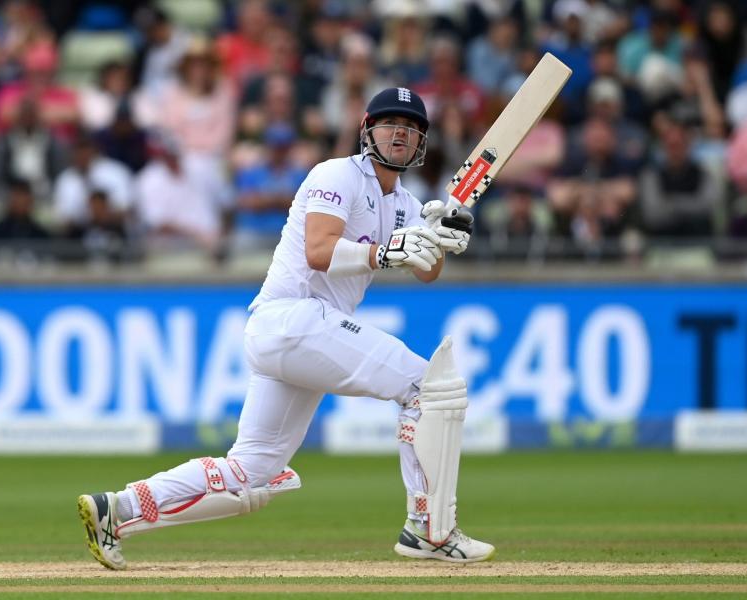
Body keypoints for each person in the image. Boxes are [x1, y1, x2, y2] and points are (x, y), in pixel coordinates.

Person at [76, 87, 494, 569]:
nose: (399, 131)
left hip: (299, 337)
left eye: (411, 125)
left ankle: (117, 507)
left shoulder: (406, 203)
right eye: (389, 122)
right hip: (293, 317)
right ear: (367, 129)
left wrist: (442, 233)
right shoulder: (335, 173)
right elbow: (320, 250)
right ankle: (428, 527)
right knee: (427, 385)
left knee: (252, 470)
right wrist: (385, 252)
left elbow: (427, 270)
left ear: (421, 140)